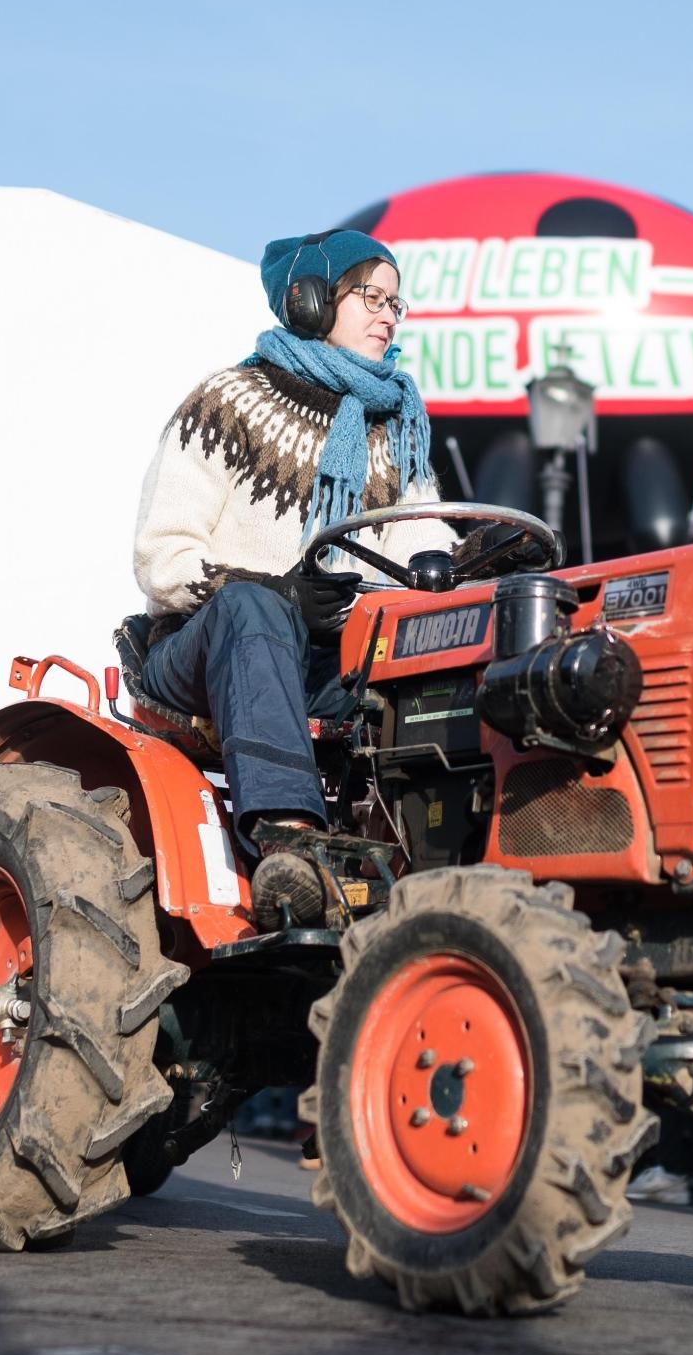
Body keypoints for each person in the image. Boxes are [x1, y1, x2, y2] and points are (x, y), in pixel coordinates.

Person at [128, 227, 455, 926]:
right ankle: (288, 839)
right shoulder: (230, 401)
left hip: (322, 661)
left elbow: (422, 540)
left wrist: (465, 561)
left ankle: (449, 849)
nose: (387, 316)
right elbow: (162, 558)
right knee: (253, 609)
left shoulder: (394, 427)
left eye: (397, 304)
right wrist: (280, 592)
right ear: (308, 302)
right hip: (201, 647)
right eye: (371, 296)